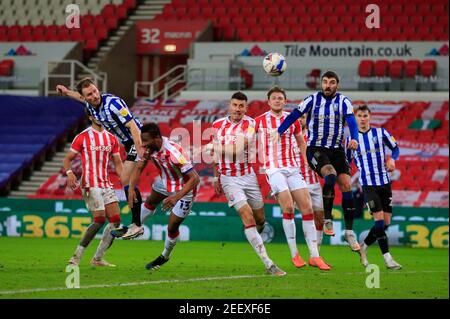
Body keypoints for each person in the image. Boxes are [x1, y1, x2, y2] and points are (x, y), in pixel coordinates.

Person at [274, 71, 361, 252]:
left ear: (337, 84)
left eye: (331, 82)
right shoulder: (312, 99)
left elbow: (352, 120)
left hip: (336, 149)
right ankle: (328, 218)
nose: (327, 85)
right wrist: (280, 130)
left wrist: (354, 138)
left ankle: (350, 232)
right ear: (321, 84)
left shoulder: (343, 101)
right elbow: (293, 115)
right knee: (330, 175)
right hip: (316, 149)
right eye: (325, 82)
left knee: (346, 184)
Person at [56, 78, 145, 240]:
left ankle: (136, 225)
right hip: (127, 143)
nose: (95, 95)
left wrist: (139, 147)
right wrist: (67, 92)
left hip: (137, 139)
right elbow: (80, 98)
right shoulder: (90, 104)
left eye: (95, 91)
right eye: (90, 94)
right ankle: (136, 224)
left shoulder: (114, 103)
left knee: (125, 178)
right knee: (127, 180)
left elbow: (132, 125)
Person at [211, 91, 286, 276]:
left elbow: (237, 151)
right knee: (248, 217)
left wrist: (214, 146)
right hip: (229, 179)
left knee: (260, 219)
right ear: (230, 105)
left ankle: (253, 233)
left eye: (241, 106)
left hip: (248, 176)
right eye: (235, 105)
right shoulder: (216, 125)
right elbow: (216, 156)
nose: (237, 109)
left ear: (246, 107)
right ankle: (269, 264)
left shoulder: (251, 124)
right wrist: (215, 177)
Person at [255, 87, 331, 270]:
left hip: (293, 169)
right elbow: (247, 139)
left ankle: (314, 255)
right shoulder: (259, 121)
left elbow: (301, 142)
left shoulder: (293, 120)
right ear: (268, 101)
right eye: (274, 98)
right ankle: (294, 254)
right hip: (273, 169)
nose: (277, 101)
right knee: (288, 206)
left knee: (307, 208)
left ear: (285, 100)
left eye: (280, 98)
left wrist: (307, 161)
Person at [127, 123, 200, 270]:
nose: (144, 144)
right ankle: (134, 227)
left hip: (183, 190)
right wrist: (130, 188)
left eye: (146, 141)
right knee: (149, 203)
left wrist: (176, 197)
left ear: (157, 139)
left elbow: (195, 179)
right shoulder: (149, 149)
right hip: (164, 183)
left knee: (172, 227)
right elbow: (139, 167)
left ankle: (164, 256)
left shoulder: (174, 153)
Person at [64, 109, 123, 267]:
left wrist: (125, 181)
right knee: (99, 219)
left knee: (116, 221)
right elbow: (68, 159)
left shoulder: (111, 138)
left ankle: (97, 258)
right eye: (96, 115)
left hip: (105, 183)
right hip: (90, 183)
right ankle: (76, 256)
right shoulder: (82, 136)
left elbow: (118, 163)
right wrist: (69, 173)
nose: (100, 117)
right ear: (90, 117)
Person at [347, 104, 402, 270]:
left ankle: (364, 247)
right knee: (378, 219)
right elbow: (346, 162)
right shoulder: (351, 140)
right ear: (355, 119)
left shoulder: (381, 133)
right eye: (359, 116)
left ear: (370, 117)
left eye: (365, 116)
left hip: (385, 183)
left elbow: (396, 148)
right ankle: (388, 259)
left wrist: (393, 159)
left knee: (385, 223)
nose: (362, 119)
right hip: (368, 184)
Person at [297, 114, 325, 251]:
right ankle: (313, 253)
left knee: (320, 220)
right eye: (299, 117)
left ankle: (317, 254)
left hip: (314, 183)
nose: (300, 120)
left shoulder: (314, 137)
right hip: (299, 184)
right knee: (308, 217)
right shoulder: (291, 137)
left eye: (303, 117)